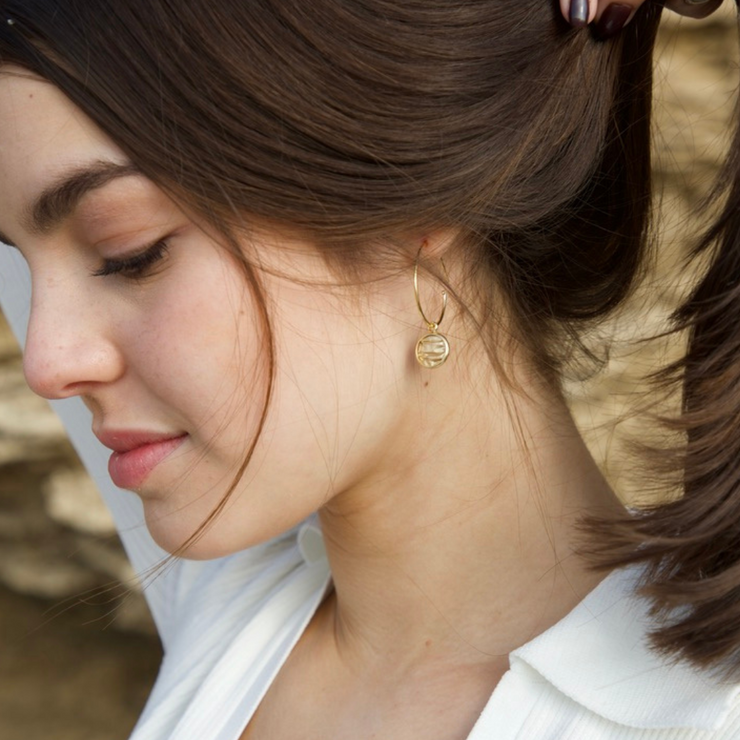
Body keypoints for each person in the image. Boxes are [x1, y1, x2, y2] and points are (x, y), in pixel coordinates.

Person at [0, 1, 738, 738]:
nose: (47, 360)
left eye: (130, 252)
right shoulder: (235, 607)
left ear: (408, 195)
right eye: (19, 262)